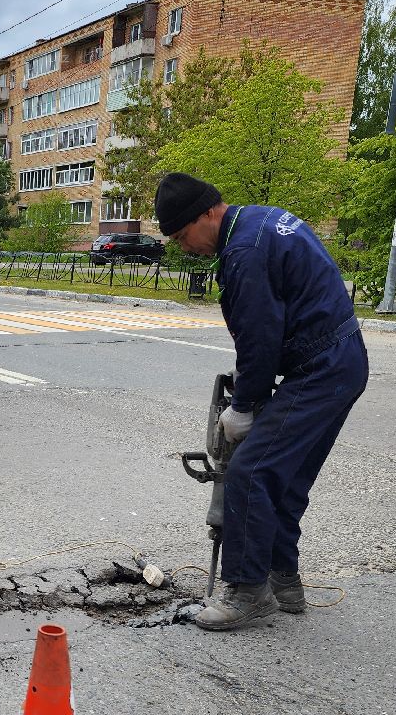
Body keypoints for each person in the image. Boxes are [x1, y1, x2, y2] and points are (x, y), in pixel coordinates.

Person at [153, 173, 369, 631]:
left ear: (208, 212)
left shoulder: (245, 251)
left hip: (320, 368)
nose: (183, 247)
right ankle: (283, 581)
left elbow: (260, 337)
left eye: (181, 235)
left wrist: (244, 405)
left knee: (251, 471)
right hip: (339, 361)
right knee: (283, 476)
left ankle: (249, 591)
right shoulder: (260, 222)